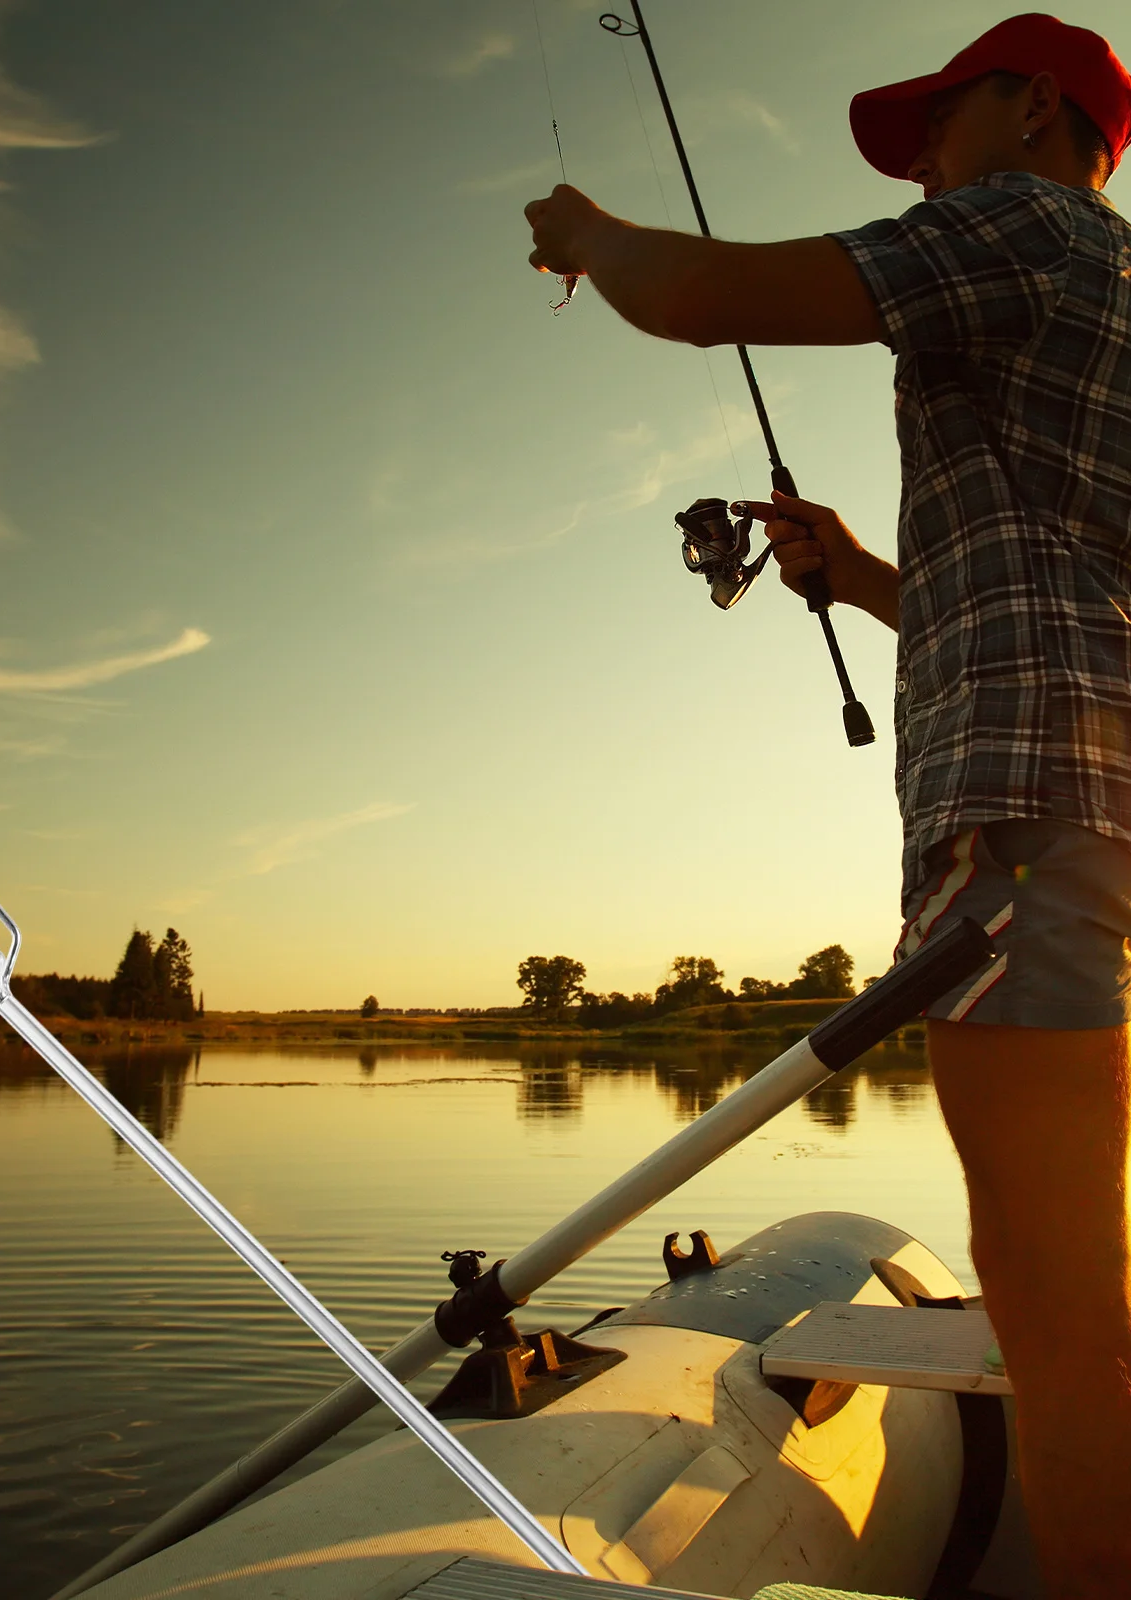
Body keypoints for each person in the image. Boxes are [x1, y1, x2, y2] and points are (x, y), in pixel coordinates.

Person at [523, 13, 1131, 1597]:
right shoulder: (1106, 294)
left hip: (1024, 818)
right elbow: (1034, 598)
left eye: (942, 121)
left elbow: (709, 295)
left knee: (1057, 1301)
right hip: (1092, 797)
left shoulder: (1031, 223)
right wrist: (858, 574)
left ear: (1042, 109)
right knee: (1079, 1278)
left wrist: (587, 231)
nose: (925, 160)